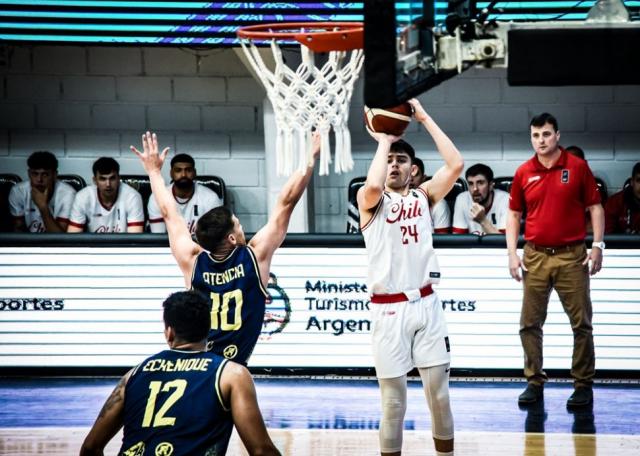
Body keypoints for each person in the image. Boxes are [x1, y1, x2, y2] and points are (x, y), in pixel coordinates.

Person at [132, 131, 320, 365]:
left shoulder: (193, 260)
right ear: (232, 238)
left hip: (197, 363)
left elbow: (170, 214)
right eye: (238, 226)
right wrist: (310, 155)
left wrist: (153, 171)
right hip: (233, 367)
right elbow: (287, 201)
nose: (243, 229)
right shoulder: (255, 256)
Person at [358, 98, 463, 456]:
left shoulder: (424, 196)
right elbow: (372, 188)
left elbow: (456, 164)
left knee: (439, 397)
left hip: (427, 304)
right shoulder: (369, 199)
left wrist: (424, 117)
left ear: (413, 169)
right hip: (388, 311)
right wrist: (385, 142)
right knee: (393, 405)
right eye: (389, 161)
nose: (393, 165)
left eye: (401, 160)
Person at [79, 290, 280, 456]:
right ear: (208, 329)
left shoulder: (133, 375)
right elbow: (262, 451)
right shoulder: (231, 374)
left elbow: (90, 447)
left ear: (169, 332)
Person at [507, 113, 605, 409]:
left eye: (546, 134)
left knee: (581, 324)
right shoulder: (524, 171)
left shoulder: (577, 167)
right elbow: (513, 215)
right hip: (535, 255)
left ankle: (583, 385)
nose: (541, 141)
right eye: (536, 135)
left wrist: (598, 245)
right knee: (529, 323)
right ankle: (534, 382)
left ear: (558, 136)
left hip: (572, 255)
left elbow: (596, 207)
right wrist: (512, 252)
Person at [148, 153, 223, 234]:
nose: (183, 174)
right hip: (168, 246)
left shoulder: (210, 198)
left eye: (188, 170)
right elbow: (158, 237)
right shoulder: (158, 197)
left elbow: (214, 238)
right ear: (171, 173)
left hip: (200, 246)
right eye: (178, 170)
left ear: (194, 173)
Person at [67, 157, 145, 233]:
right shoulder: (82, 197)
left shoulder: (132, 197)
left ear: (118, 178)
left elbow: (134, 241)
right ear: (95, 181)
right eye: (102, 179)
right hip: (93, 246)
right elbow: (72, 239)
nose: (108, 184)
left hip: (123, 246)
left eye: (112, 178)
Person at [8, 151, 76, 233]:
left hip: (54, 245)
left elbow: (59, 238)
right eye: (35, 174)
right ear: (29, 174)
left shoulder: (68, 194)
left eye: (45, 174)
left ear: (54, 175)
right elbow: (19, 231)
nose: (39, 179)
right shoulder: (18, 191)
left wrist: (43, 207)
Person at [452, 163, 508, 235]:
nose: (475, 189)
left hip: (496, 247)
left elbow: (505, 243)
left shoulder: (505, 200)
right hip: (471, 246)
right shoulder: (462, 199)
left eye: (480, 183)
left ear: (490, 185)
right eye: (471, 183)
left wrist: (483, 220)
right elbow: (458, 241)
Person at [411, 156, 451, 234]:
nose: (411, 178)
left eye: (416, 174)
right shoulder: (391, 201)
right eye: (407, 174)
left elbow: (442, 241)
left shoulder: (438, 203)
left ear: (423, 178)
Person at [604, 162, 640, 234]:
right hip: (619, 245)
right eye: (639, 180)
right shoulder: (615, 202)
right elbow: (608, 236)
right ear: (632, 182)